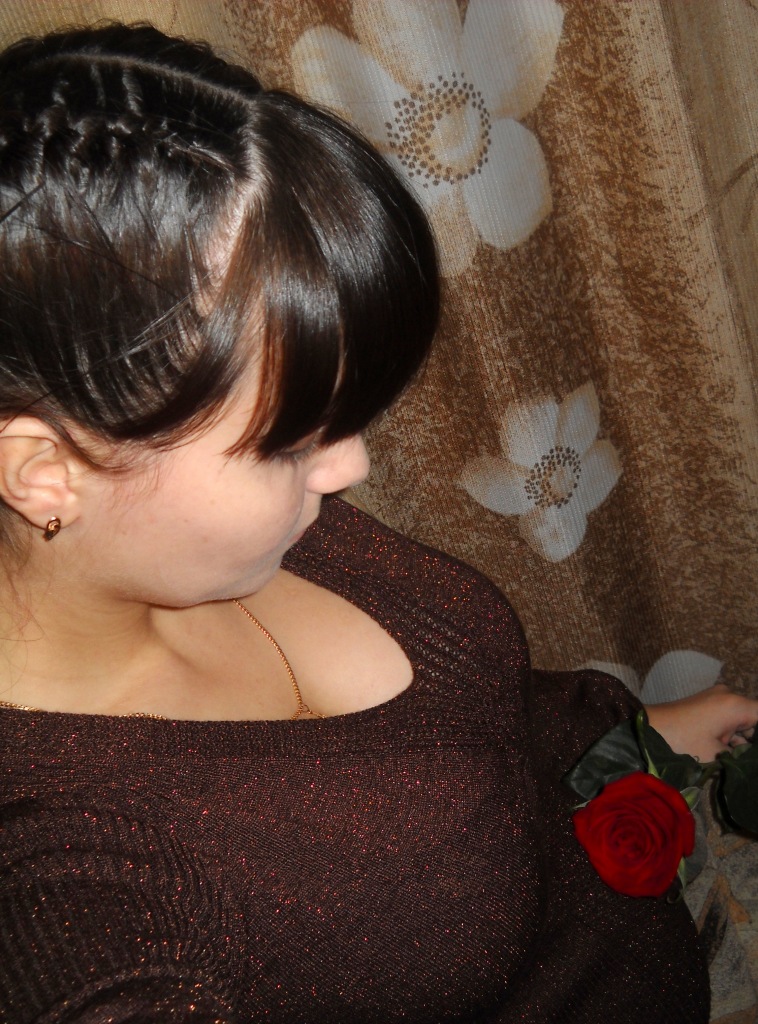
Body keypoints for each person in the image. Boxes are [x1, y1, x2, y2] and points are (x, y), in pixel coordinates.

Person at [0, 22, 755, 1024]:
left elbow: (471, 719)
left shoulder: (257, 533)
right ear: (43, 473)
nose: (350, 467)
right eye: (288, 442)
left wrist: (627, 741)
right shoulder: (64, 873)